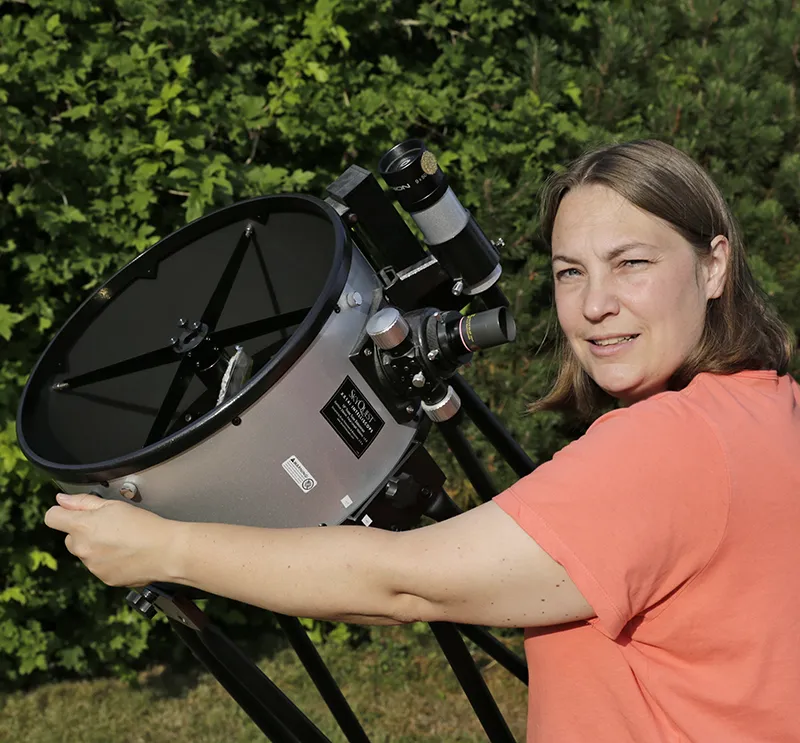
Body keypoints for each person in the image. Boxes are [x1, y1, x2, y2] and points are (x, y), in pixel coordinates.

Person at [44, 140, 800, 742]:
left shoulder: (667, 443)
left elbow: (408, 583)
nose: (596, 305)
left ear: (714, 264)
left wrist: (164, 549)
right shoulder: (770, 407)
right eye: (571, 272)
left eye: (632, 263)